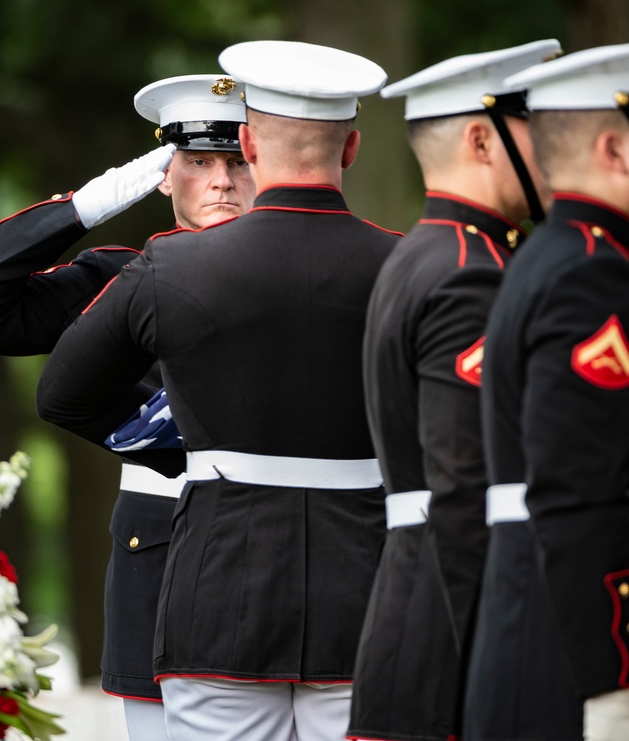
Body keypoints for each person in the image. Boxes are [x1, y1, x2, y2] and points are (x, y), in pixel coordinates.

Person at [36, 40, 399, 741]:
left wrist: (177, 444)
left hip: (218, 587)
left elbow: (62, 393)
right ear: (351, 148)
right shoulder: (407, 260)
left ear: (250, 143)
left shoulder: (172, 264)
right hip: (367, 589)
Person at [0, 74, 254, 740]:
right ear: (164, 175)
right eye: (197, 162)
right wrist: (87, 206)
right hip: (160, 557)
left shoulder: (311, 274)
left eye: (237, 160)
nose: (221, 180)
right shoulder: (118, 280)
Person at [346, 40, 560, 741]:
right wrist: (501, 652)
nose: (556, 150)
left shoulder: (427, 252)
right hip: (451, 640)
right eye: (538, 129)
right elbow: (466, 489)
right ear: (481, 137)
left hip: (418, 618)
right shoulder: (472, 272)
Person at [481, 44, 629, 741]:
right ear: (616, 149)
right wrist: (613, 672)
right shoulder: (590, 272)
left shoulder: (559, 255)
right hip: (580, 643)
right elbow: (575, 486)